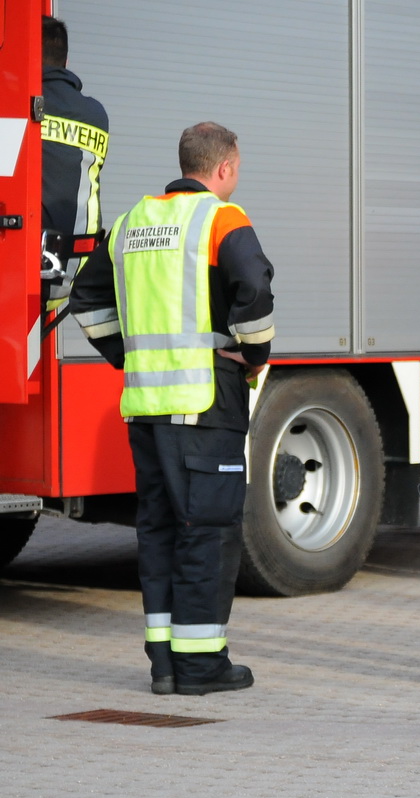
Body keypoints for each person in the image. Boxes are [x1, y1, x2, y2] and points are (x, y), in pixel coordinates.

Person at [69, 122, 274, 695]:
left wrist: (125, 352)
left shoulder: (133, 222)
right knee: (207, 531)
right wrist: (254, 352)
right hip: (205, 407)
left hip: (145, 408)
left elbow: (84, 296)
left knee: (158, 530)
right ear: (224, 168)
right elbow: (254, 288)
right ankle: (202, 665)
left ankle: (163, 663)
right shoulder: (221, 220)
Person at [40, 15, 109, 315]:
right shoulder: (96, 113)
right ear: (65, 59)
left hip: (24, 264)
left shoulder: (19, 103)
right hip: (72, 266)